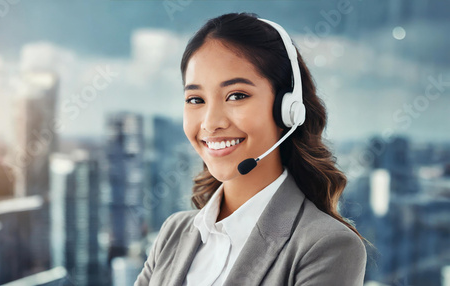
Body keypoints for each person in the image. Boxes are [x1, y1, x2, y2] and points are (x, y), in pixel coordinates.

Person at [135, 12, 367, 286]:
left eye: (236, 96)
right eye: (195, 99)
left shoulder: (326, 246)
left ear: (287, 111)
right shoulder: (174, 233)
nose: (211, 123)